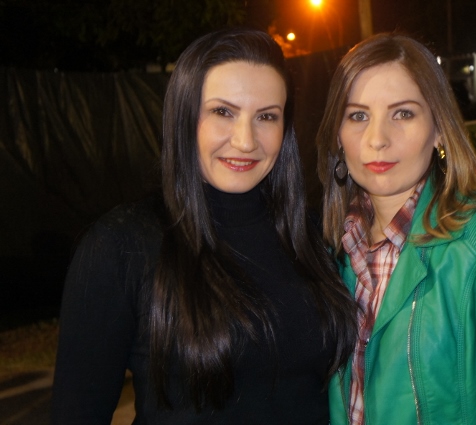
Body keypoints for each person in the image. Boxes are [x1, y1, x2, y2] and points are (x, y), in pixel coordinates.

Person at [52, 28, 358, 424]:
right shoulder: (120, 246)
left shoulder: (314, 236)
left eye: (266, 116)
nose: (245, 141)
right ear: (184, 117)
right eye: (222, 112)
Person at [316, 33, 476, 425]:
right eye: (358, 116)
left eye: (403, 114)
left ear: (439, 129)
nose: (377, 139)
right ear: (337, 135)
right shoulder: (332, 252)